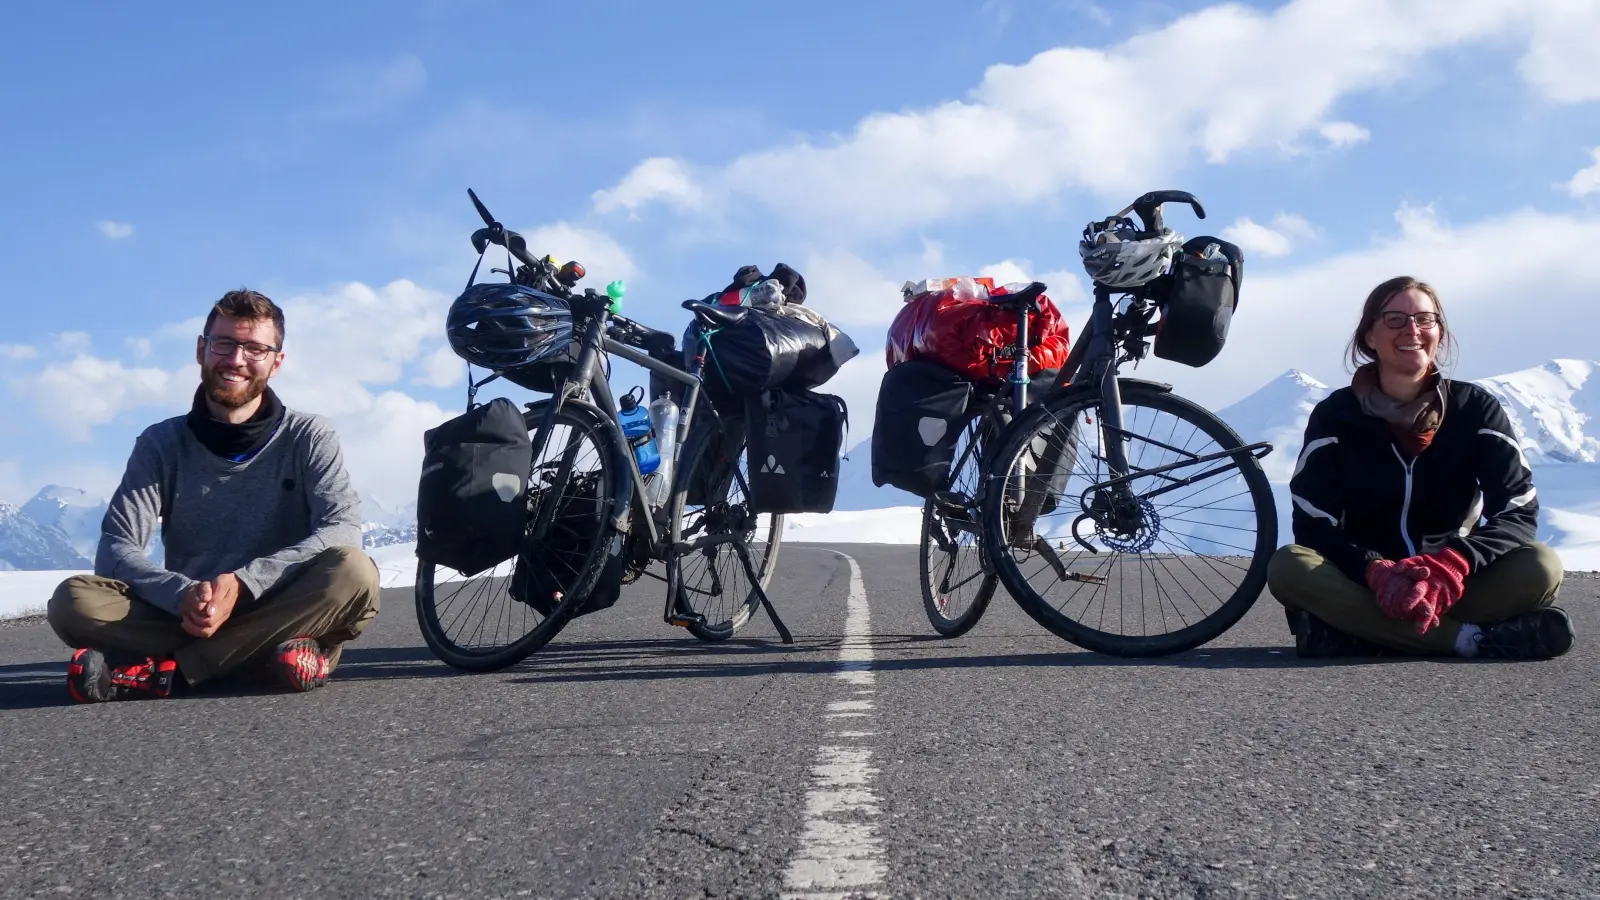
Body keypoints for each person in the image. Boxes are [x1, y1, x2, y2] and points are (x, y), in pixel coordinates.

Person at [48, 289, 381, 702]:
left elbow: (343, 529)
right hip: (188, 614)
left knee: (354, 573)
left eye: (255, 348)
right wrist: (182, 594)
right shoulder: (161, 443)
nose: (237, 360)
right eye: (225, 344)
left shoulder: (309, 436)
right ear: (202, 350)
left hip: (278, 603)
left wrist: (244, 584)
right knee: (72, 600)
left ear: (276, 362)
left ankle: (173, 671)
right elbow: (117, 547)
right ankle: (266, 659)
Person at [1268, 276, 1574, 660]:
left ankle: (1360, 634)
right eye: (1395, 319)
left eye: (1425, 320)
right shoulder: (1336, 416)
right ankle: (1472, 639)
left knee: (1541, 566)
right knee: (1288, 566)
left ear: (1439, 335)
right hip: (1365, 585)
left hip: (1454, 585)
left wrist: (1454, 563)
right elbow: (1313, 521)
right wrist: (1375, 570)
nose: (1412, 330)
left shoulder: (1474, 408)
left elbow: (1518, 509)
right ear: (1369, 337)